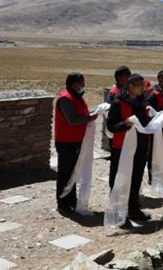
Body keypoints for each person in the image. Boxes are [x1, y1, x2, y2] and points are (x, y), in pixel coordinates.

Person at [106, 73, 151, 224]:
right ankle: (118, 214)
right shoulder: (118, 102)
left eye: (142, 85)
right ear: (130, 86)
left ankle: (133, 209)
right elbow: (111, 126)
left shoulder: (141, 101)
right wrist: (124, 125)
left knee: (136, 179)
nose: (142, 88)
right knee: (120, 180)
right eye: (139, 86)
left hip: (140, 147)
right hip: (122, 148)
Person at [54, 72, 97, 216]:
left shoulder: (77, 97)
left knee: (73, 172)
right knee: (65, 173)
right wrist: (90, 118)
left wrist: (90, 114)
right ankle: (63, 203)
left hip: (76, 140)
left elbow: (81, 114)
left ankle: (71, 200)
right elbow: (72, 120)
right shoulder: (65, 99)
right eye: (81, 83)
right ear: (73, 84)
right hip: (66, 141)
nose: (83, 85)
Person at [144, 70, 163, 184]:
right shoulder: (154, 95)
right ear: (159, 79)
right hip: (157, 130)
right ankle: (152, 177)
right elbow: (150, 112)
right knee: (153, 152)